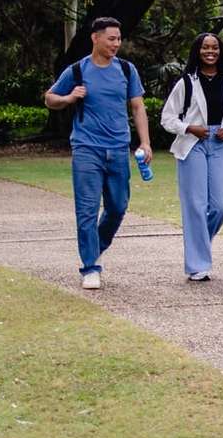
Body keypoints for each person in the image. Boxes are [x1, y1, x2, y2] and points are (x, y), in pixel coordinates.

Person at [44, 17, 152, 290]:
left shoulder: (127, 70)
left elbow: (138, 107)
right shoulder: (77, 70)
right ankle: (90, 266)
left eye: (118, 39)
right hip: (86, 148)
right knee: (87, 210)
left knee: (117, 207)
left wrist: (146, 143)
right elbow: (50, 98)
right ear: (95, 38)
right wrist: (69, 98)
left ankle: (96, 246)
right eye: (111, 38)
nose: (116, 44)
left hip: (118, 149)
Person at [160, 32, 223, 282]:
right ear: (197, 51)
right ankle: (198, 265)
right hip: (192, 143)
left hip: (220, 142)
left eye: (215, 48)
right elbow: (167, 118)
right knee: (196, 206)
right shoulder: (186, 82)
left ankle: (198, 247)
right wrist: (189, 128)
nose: (211, 52)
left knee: (220, 207)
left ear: (221, 51)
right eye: (205, 47)